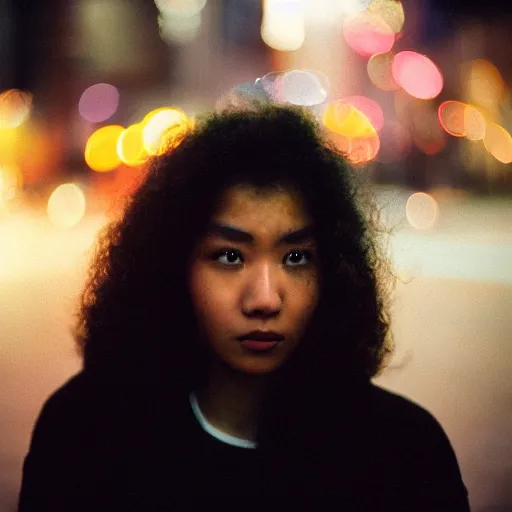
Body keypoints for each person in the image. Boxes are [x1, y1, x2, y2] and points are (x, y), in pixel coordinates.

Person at [18, 104, 470, 508]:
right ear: (172, 265)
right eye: (229, 256)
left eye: (296, 257)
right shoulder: (85, 431)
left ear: (334, 269)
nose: (265, 299)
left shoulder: (404, 453)